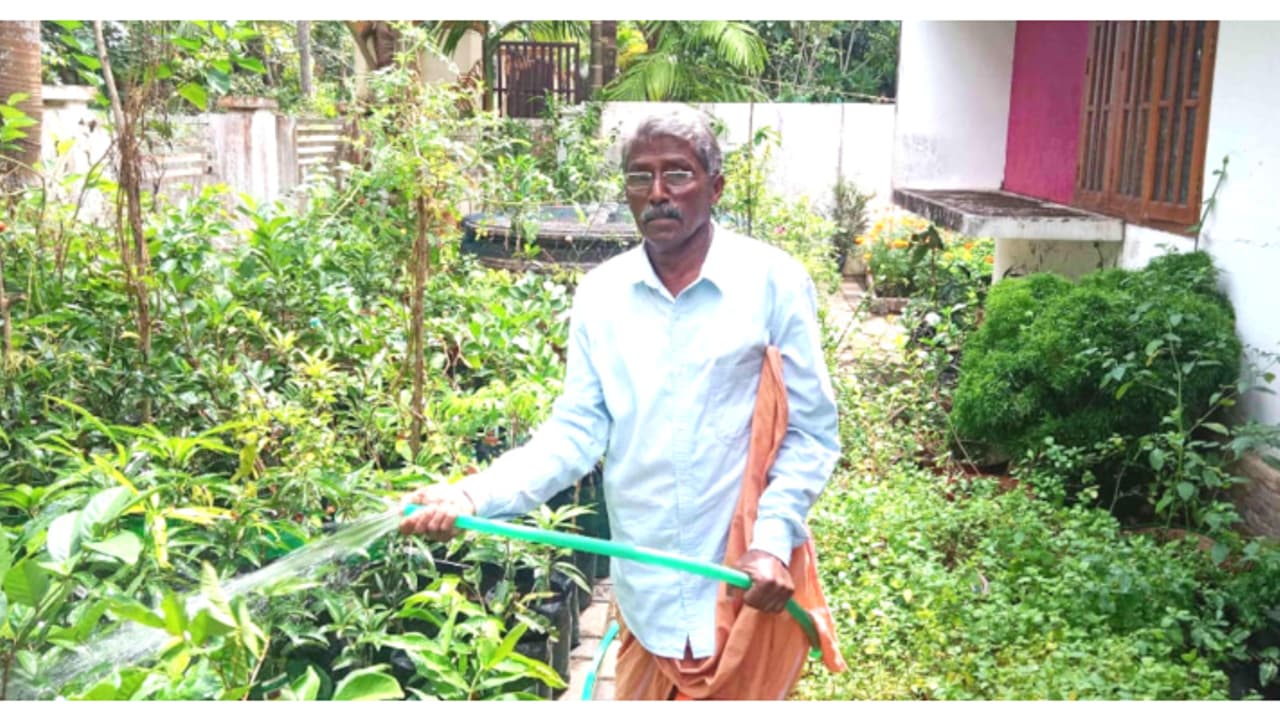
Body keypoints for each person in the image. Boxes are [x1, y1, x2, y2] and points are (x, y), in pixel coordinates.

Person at [400, 105, 843, 699]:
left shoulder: (773, 282)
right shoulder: (601, 296)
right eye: (640, 177)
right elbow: (576, 433)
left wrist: (771, 539)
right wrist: (471, 494)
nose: (658, 193)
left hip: (743, 583)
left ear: (716, 187)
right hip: (647, 595)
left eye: (678, 174)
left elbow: (810, 431)